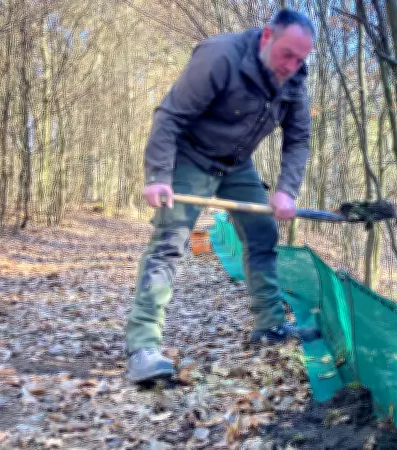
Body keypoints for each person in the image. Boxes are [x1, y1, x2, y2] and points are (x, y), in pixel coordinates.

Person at [124, 9, 319, 383]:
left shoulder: (295, 81)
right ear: (267, 38)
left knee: (263, 235)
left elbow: (298, 139)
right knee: (169, 242)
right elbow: (170, 116)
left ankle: (269, 326)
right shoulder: (220, 56)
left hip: (237, 164)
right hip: (191, 157)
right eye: (287, 55)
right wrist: (158, 175)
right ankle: (143, 347)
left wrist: (286, 191)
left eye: (300, 59)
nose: (291, 65)